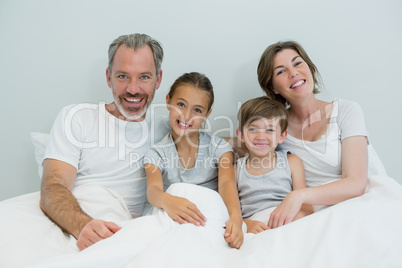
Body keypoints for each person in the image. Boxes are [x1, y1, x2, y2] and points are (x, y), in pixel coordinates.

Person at [40, 33, 171, 250]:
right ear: (109, 77)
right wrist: (83, 226)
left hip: (134, 232)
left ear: (158, 79)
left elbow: (223, 146)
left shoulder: (170, 131)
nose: (133, 89)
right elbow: (53, 187)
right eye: (123, 77)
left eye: (144, 77)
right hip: (83, 222)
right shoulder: (77, 118)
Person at [257, 40, 368, 228]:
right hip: (310, 215)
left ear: (309, 68)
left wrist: (299, 195)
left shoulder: (346, 111)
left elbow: (356, 183)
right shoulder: (276, 128)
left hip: (354, 206)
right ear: (273, 88)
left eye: (297, 63)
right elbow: (241, 144)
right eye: (281, 71)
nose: (293, 73)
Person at [144, 72, 244, 249]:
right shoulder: (157, 153)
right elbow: (153, 190)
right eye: (181, 104)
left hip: (207, 216)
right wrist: (169, 201)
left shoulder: (219, 148)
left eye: (197, 110)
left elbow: (227, 183)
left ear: (207, 114)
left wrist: (236, 217)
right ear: (168, 101)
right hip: (175, 215)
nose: (186, 115)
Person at [235, 96, 313, 233]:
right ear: (241, 135)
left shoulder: (292, 162)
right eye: (253, 129)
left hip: (288, 221)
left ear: (282, 136)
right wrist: (246, 224)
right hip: (256, 227)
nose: (260, 137)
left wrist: (290, 220)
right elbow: (231, 213)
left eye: (269, 130)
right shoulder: (236, 170)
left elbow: (306, 208)